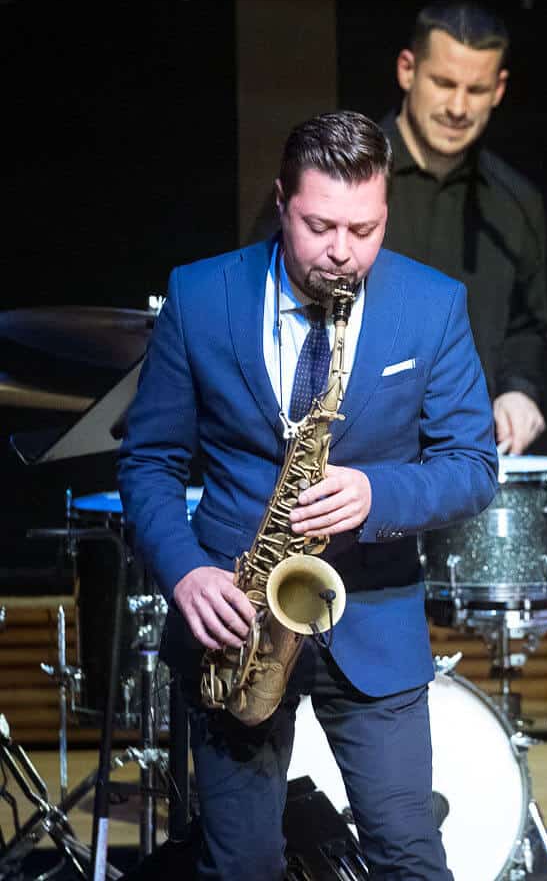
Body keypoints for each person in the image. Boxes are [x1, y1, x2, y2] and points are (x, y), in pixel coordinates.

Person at [118, 111, 498, 878]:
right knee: (243, 864)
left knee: (411, 858)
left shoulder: (432, 304)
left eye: (365, 228)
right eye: (320, 226)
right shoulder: (200, 295)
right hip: (236, 624)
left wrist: (376, 493)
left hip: (374, 618)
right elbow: (149, 461)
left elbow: (473, 467)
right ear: (281, 202)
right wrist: (186, 573)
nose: (343, 251)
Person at [378, 0, 547, 847]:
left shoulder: (514, 203)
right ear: (407, 72)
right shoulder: (346, 183)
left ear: (500, 90)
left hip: (471, 462)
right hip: (368, 468)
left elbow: (533, 325)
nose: (457, 105)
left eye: (477, 89)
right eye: (443, 83)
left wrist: (522, 389)